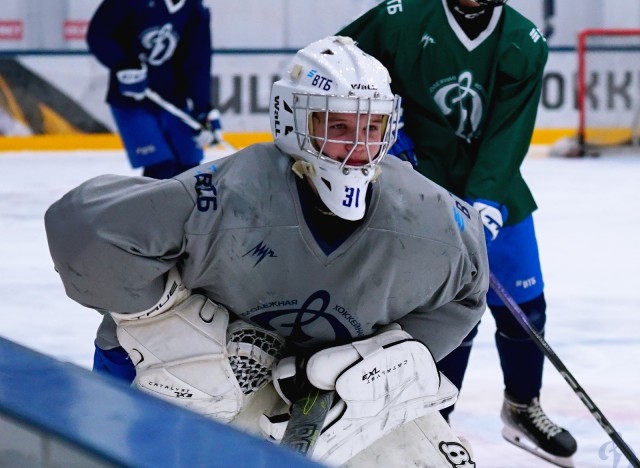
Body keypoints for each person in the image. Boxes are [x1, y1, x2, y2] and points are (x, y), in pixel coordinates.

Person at [45, 36, 488, 465]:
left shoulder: (427, 213)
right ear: (294, 120)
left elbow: (468, 292)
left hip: (330, 394)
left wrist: (372, 358)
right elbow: (83, 228)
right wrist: (168, 320)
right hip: (194, 380)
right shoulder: (229, 192)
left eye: (371, 128)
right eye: (337, 126)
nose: (357, 149)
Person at [338, 0, 578, 466]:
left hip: (496, 188)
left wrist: (486, 199)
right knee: (446, 311)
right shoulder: (401, 17)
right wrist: (385, 118)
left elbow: (510, 132)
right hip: (420, 189)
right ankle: (433, 424)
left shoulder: (522, 43)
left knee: (526, 307)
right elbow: (340, 57)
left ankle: (523, 406)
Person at [86, 0, 221, 179]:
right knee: (162, 168)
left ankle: (185, 209)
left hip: (175, 101)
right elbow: (98, 34)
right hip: (131, 102)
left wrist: (203, 108)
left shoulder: (194, 8)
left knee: (189, 167)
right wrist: (123, 65)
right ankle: (153, 207)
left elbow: (198, 61)